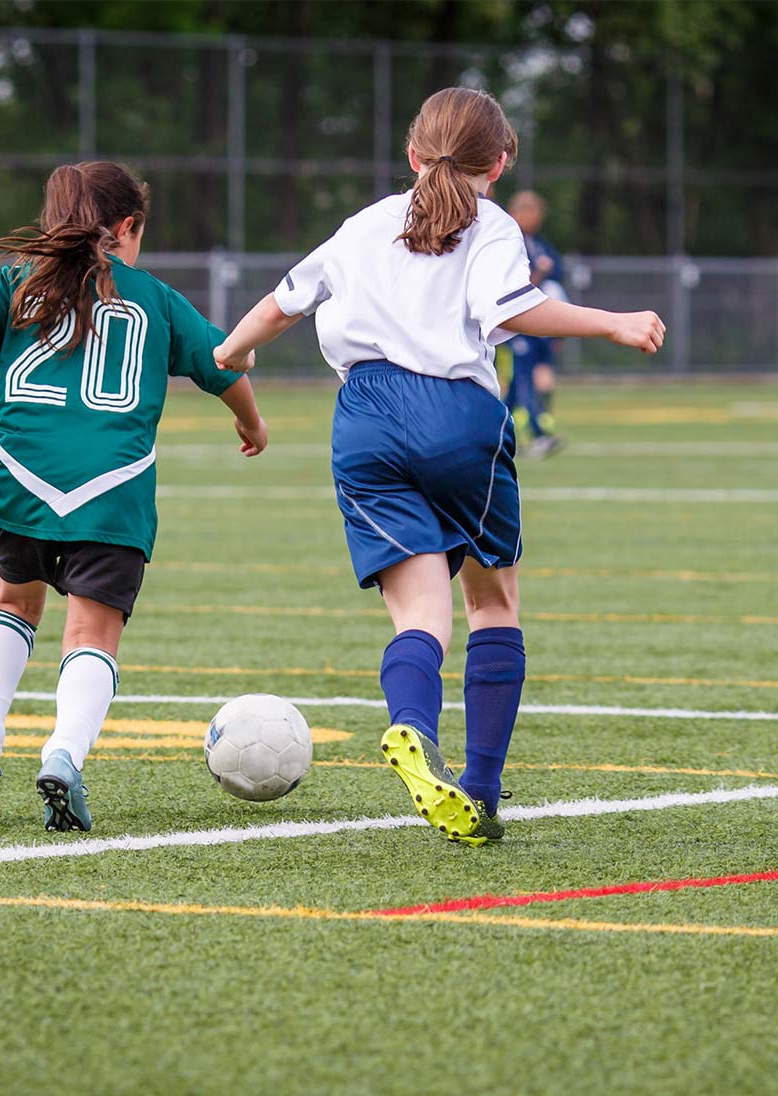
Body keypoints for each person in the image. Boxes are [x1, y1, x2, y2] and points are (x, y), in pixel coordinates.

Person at [212, 88, 664, 846]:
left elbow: (280, 303)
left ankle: (414, 726)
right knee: (491, 603)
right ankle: (480, 790)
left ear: (413, 156)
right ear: (503, 161)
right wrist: (611, 322)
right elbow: (509, 311)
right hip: (457, 416)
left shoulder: (362, 225)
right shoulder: (492, 225)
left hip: (363, 420)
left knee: (420, 613)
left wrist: (231, 352)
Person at [0, 161, 266, 832]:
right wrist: (252, 422)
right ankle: (63, 757)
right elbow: (222, 365)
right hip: (113, 487)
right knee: (91, 632)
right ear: (127, 227)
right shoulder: (155, 298)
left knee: (14, 599)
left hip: (20, 474)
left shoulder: (18, 282)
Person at [506, 189, 566, 458]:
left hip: (537, 325)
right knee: (521, 379)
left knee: (524, 382)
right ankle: (539, 434)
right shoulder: (507, 238)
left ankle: (504, 435)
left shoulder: (538, 242)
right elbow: (515, 285)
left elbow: (558, 269)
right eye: (533, 213)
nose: (537, 219)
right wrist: (539, 273)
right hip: (514, 323)